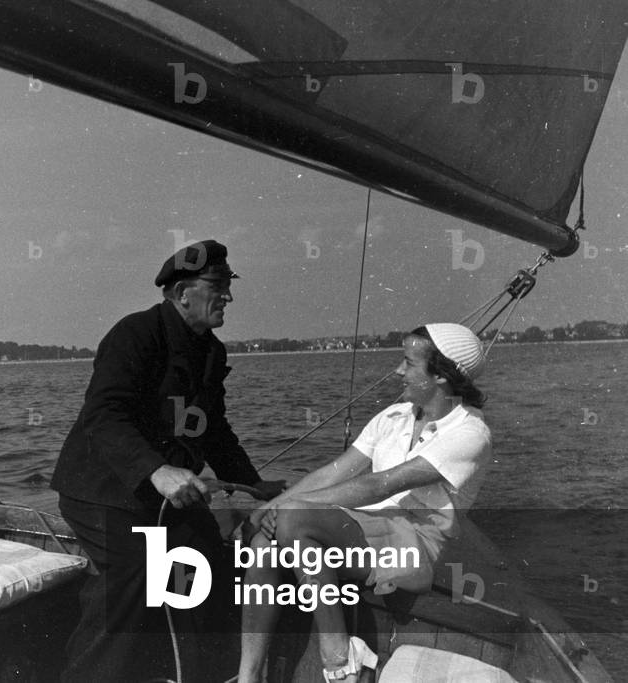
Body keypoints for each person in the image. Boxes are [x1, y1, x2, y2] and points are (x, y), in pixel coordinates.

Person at [51, 239, 285, 683]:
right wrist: (156, 470)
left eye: (228, 286)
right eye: (218, 286)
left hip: (161, 500)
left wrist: (254, 486)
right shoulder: (135, 334)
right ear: (183, 294)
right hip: (100, 494)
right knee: (136, 572)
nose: (229, 297)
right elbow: (105, 414)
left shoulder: (211, 352)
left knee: (204, 555)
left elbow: (212, 429)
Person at [237, 323, 491, 683]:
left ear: (441, 377)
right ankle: (250, 674)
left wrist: (290, 508)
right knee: (263, 545)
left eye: (409, 363)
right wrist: (269, 507)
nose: (398, 371)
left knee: (294, 520)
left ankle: (340, 659)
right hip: (366, 528)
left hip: (414, 545)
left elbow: (379, 485)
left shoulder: (470, 433)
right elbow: (334, 473)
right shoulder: (394, 417)